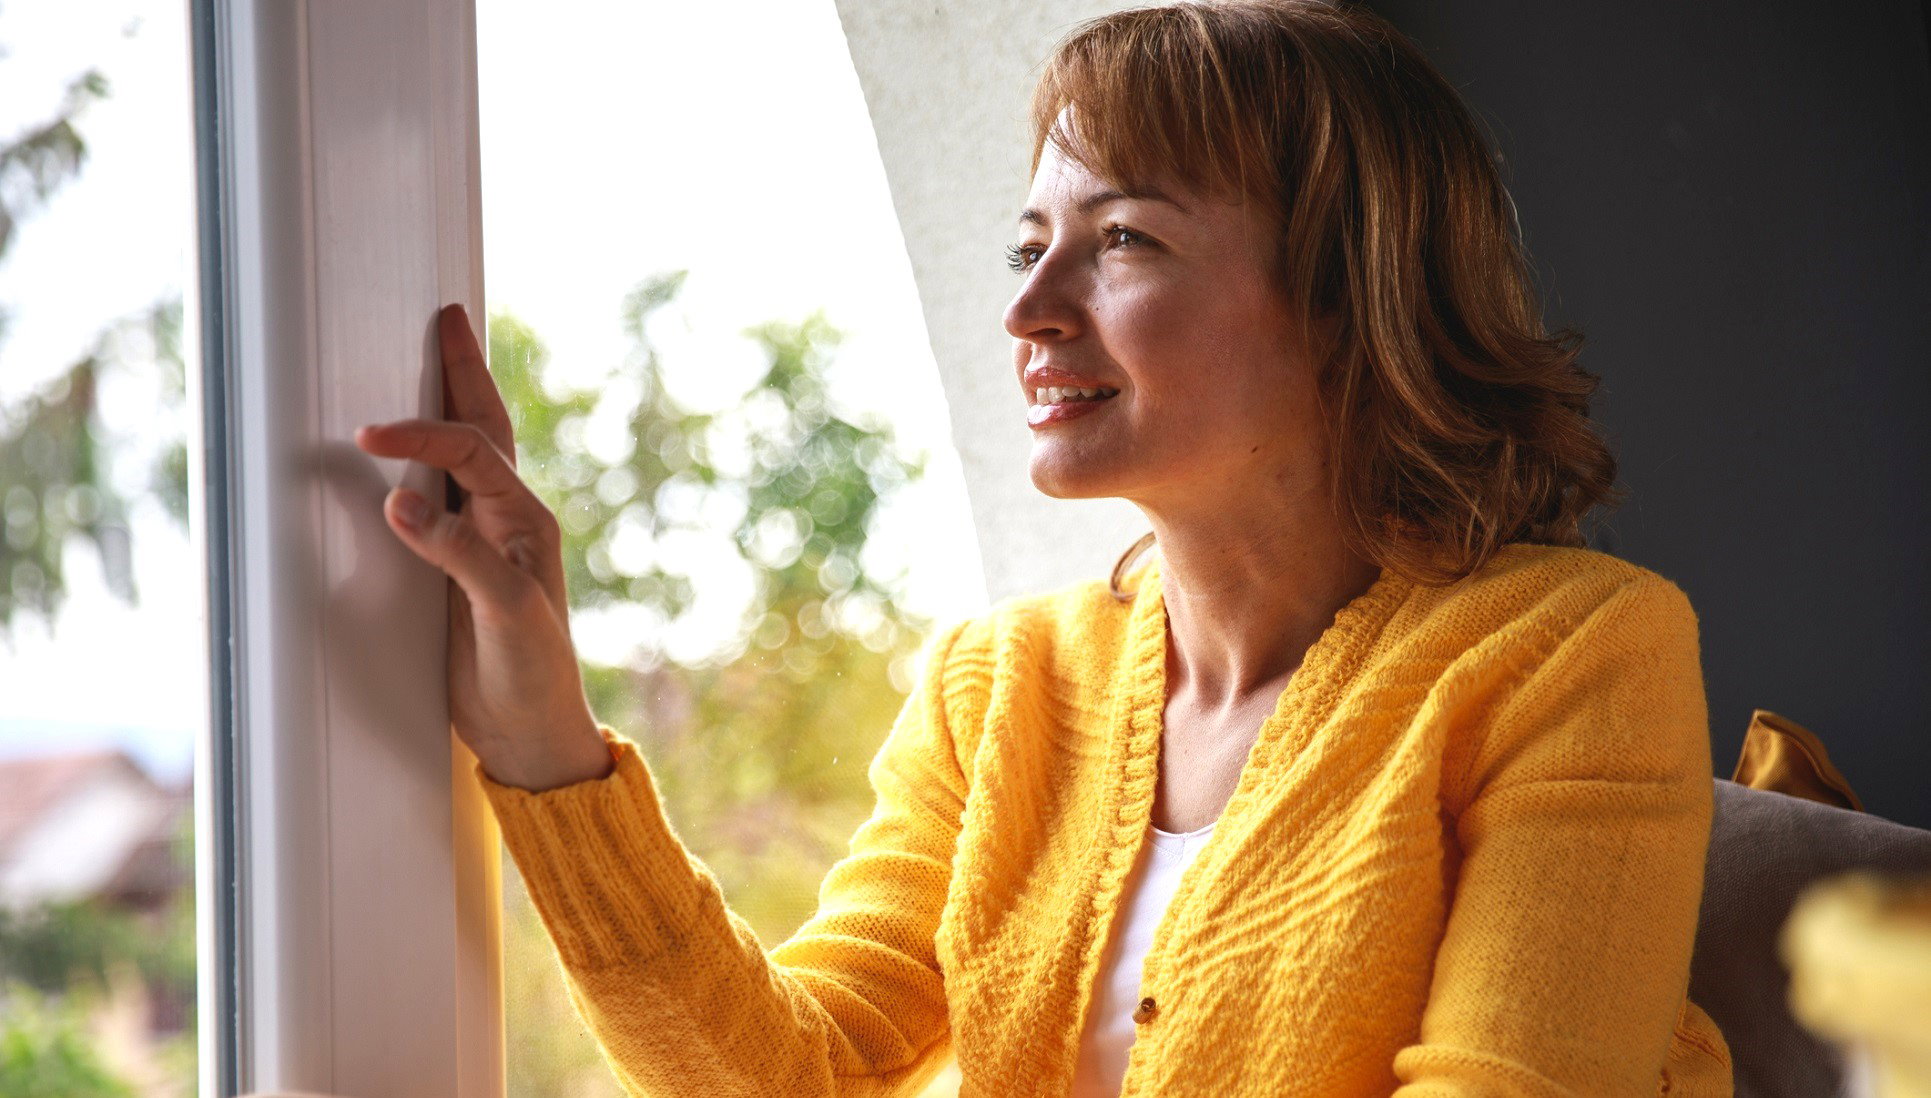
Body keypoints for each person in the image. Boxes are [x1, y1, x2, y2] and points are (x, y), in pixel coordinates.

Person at [353, 1, 1733, 1094]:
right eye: (1029, 246)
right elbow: (793, 1074)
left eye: (1122, 238)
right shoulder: (999, 685)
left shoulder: (1570, 651)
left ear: (1342, 289)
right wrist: (544, 737)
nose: (1028, 309)